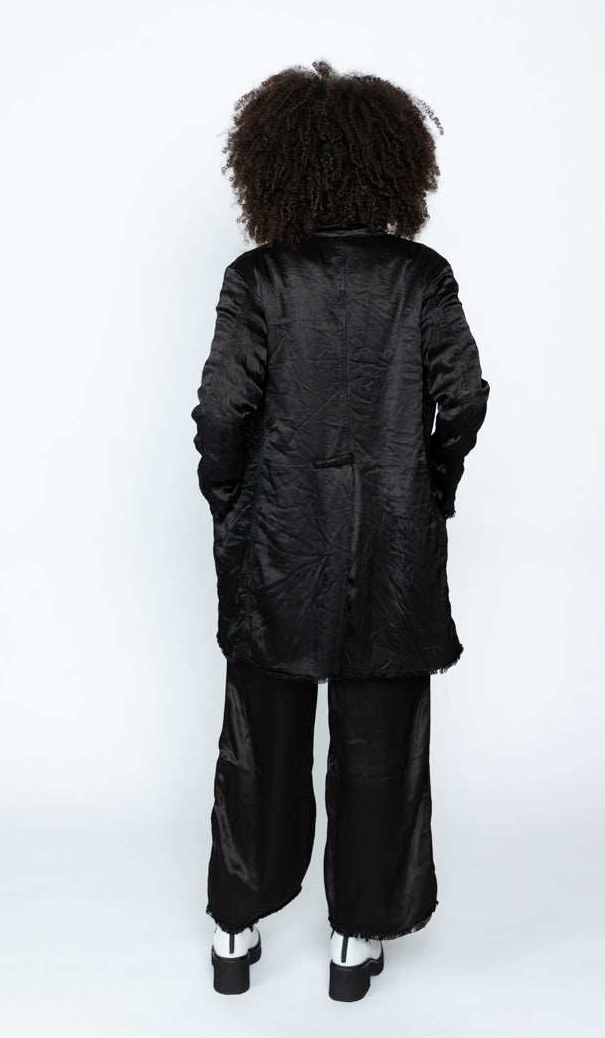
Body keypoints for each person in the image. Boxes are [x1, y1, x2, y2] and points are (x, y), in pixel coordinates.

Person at [191, 59, 490, 1001]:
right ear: (393, 165)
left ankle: (235, 930)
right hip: (394, 546)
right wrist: (428, 487)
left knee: (259, 738)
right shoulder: (422, 277)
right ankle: (356, 942)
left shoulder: (257, 279)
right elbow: (465, 399)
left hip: (281, 543)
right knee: (380, 746)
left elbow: (222, 412)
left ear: (273, 165)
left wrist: (232, 502)